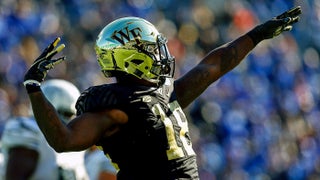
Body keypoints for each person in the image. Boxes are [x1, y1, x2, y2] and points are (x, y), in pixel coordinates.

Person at [22, 6, 301, 180]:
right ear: (132, 57)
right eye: (152, 48)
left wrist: (256, 35)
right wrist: (35, 89)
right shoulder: (115, 109)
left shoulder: (165, 93)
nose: (161, 53)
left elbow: (215, 65)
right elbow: (64, 139)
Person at [1, 79, 88, 180]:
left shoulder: (75, 148)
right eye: (68, 114)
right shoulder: (30, 130)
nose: (72, 120)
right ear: (50, 111)